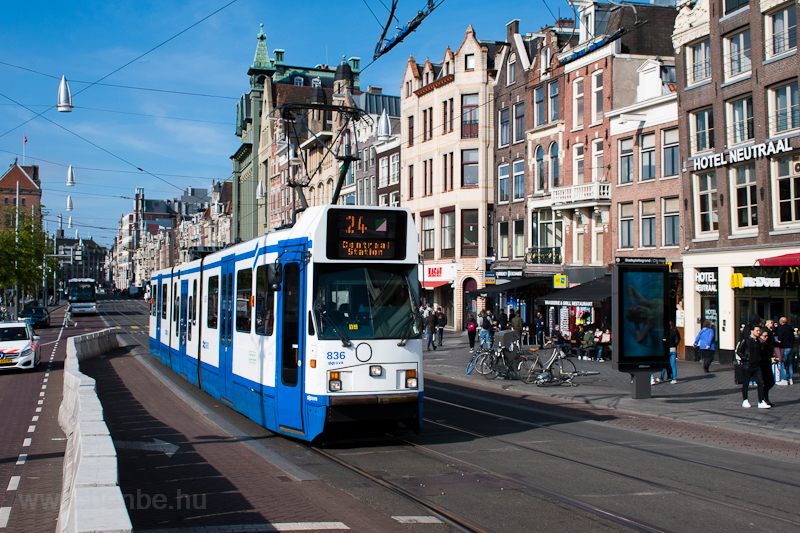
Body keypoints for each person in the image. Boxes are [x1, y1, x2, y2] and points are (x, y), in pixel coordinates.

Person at [740, 325, 769, 408]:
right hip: (748, 366)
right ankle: (745, 400)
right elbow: (739, 351)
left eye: (759, 331)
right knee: (746, 383)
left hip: (757, 365)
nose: (758, 332)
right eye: (757, 330)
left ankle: (761, 401)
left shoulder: (759, 342)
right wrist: (745, 358)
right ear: (752, 331)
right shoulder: (746, 340)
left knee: (761, 382)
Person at [758, 328, 775, 407]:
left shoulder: (766, 343)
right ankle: (764, 399)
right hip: (762, 365)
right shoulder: (759, 344)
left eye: (767, 336)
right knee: (765, 382)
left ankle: (765, 398)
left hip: (767, 364)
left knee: (770, 381)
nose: (766, 337)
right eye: (765, 336)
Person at [775, 317, 794, 385]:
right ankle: (790, 379)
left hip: (784, 347)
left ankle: (784, 379)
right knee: (789, 364)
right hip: (791, 347)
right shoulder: (790, 328)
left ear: (781, 322)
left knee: (782, 363)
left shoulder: (781, 329)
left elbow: (780, 339)